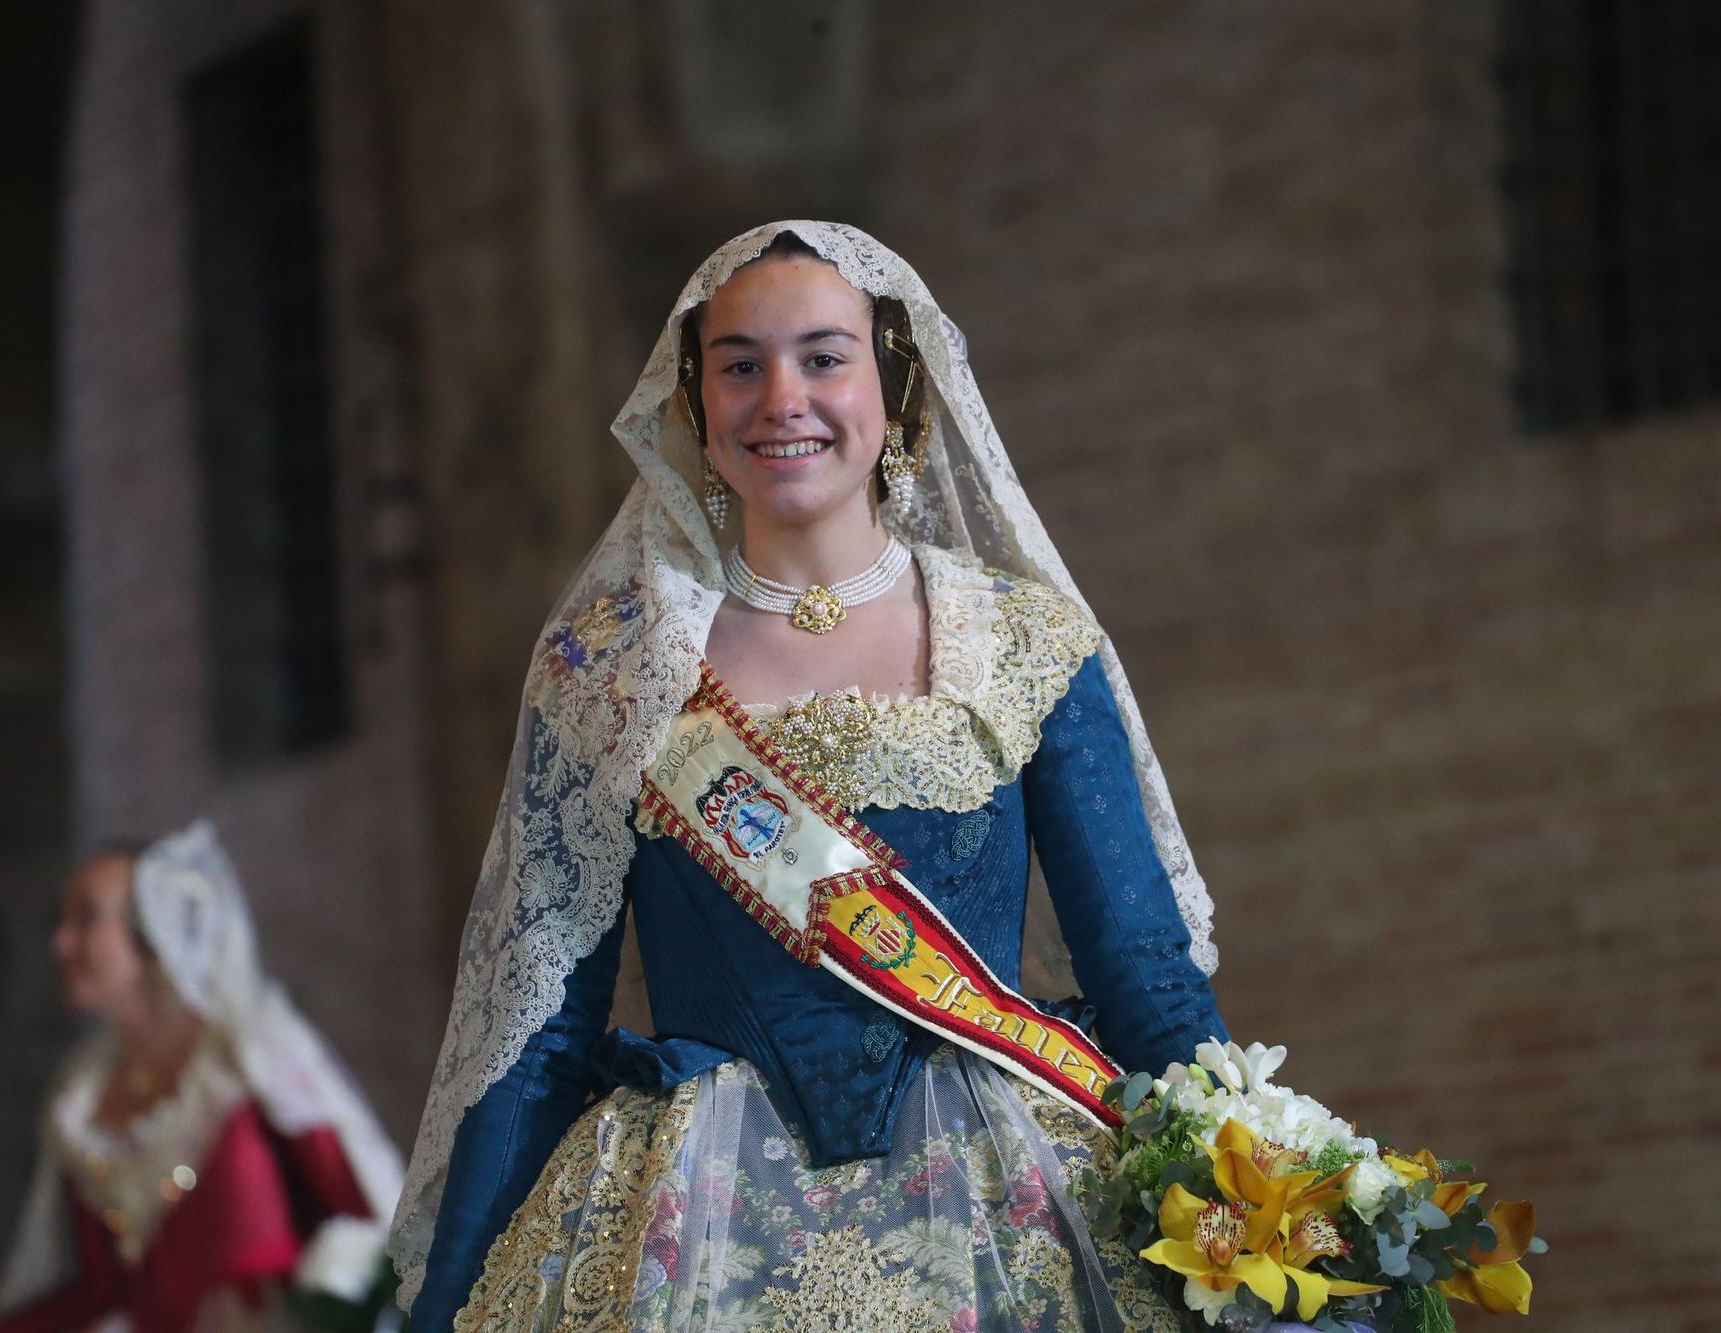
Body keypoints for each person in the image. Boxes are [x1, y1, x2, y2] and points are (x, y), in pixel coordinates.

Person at [392, 222, 1226, 1331]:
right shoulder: (608, 668)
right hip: (692, 1230)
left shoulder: (1022, 642)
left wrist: (1255, 1213)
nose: (780, 397)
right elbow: (539, 1023)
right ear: (694, 400)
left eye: (823, 357)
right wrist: (445, 1305)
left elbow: (1142, 975)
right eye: (740, 364)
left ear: (894, 385)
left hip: (1001, 1211)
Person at [0, 822, 405, 1333]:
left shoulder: (248, 1054)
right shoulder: (82, 1098)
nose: (61, 943)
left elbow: (364, 1220)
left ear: (153, 931)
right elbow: (102, 1290)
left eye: (86, 918)